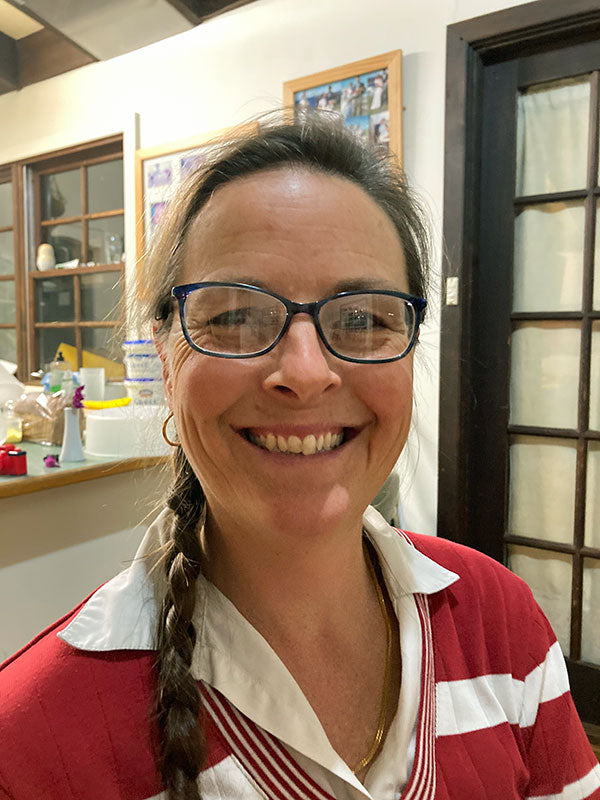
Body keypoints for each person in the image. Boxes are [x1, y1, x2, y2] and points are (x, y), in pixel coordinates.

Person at [1, 113, 599, 800]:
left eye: (364, 318)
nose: (307, 372)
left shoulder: (500, 624)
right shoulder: (32, 746)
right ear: (166, 361)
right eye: (232, 316)